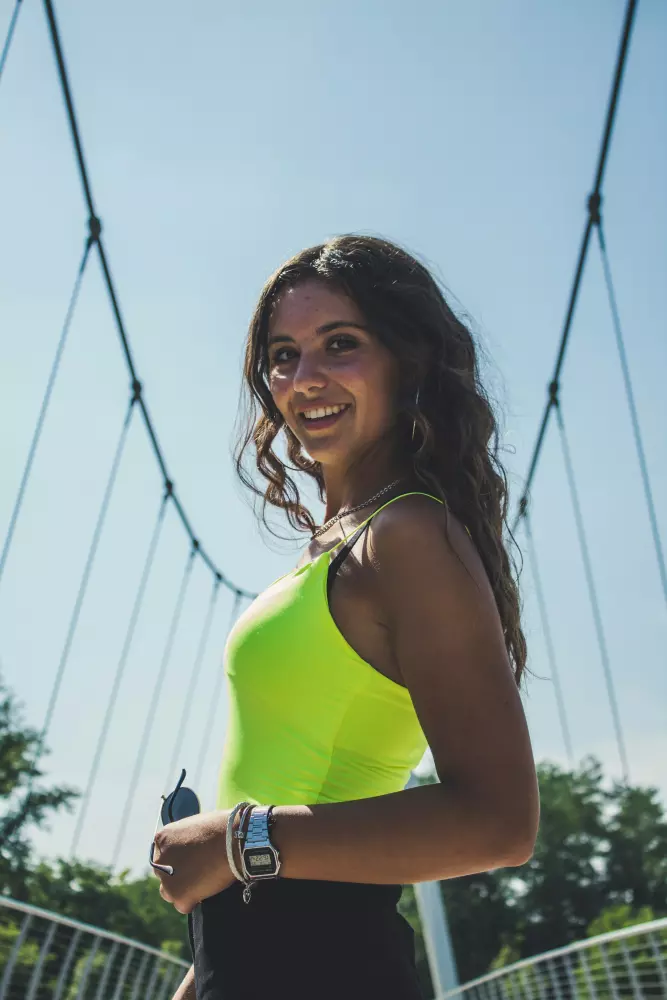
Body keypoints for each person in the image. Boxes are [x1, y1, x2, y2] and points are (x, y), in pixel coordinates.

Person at [154, 235, 539, 1000]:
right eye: (282, 354)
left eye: (341, 344)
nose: (305, 378)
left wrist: (236, 840)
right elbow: (294, 777)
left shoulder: (407, 537)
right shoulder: (343, 543)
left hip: (324, 963)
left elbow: (500, 823)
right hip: (257, 959)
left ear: (409, 363)